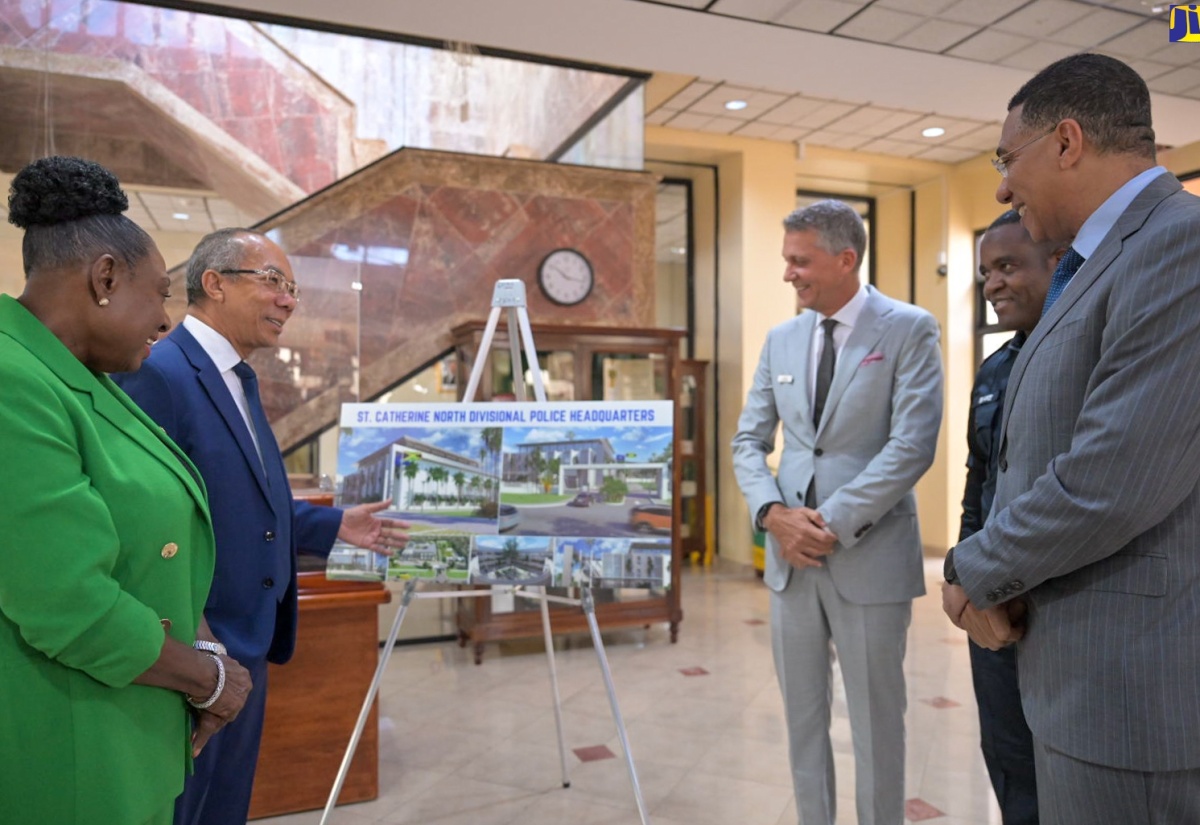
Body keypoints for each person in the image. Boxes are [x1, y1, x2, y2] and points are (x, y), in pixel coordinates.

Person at [942, 53, 1200, 824]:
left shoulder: (1176, 246)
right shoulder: (1093, 264)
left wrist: (971, 568)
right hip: (1076, 675)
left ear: (1066, 141)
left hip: (1131, 696)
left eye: (1005, 159)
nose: (1000, 187)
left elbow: (1111, 478)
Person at [113, 227, 409, 825]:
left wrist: (334, 525)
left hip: (245, 647)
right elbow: (141, 524)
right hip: (197, 656)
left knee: (225, 806)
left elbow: (239, 503)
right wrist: (193, 650)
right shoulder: (160, 374)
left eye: (292, 288)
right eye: (273, 281)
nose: (289, 301)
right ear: (215, 284)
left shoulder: (240, 379)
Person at [0, 156, 251, 824]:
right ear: (104, 277)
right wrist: (211, 678)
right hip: (67, 746)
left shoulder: (88, 381)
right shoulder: (12, 379)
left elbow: (157, 539)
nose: (165, 320)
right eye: (160, 293)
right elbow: (67, 601)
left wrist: (207, 648)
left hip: (127, 723)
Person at [732, 200, 943, 825]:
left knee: (878, 723)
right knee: (802, 720)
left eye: (800, 261)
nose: (788, 274)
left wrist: (828, 523)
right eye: (786, 261)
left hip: (868, 554)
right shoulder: (782, 339)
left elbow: (912, 445)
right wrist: (773, 513)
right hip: (790, 561)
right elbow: (748, 441)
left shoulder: (909, 328)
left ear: (846, 258)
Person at [959, 210, 1061, 825]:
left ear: (1057, 263)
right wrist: (965, 577)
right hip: (991, 606)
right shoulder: (995, 369)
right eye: (985, 272)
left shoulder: (1082, 359)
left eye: (1007, 266)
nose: (992, 284)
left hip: (1054, 605)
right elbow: (980, 483)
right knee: (1008, 760)